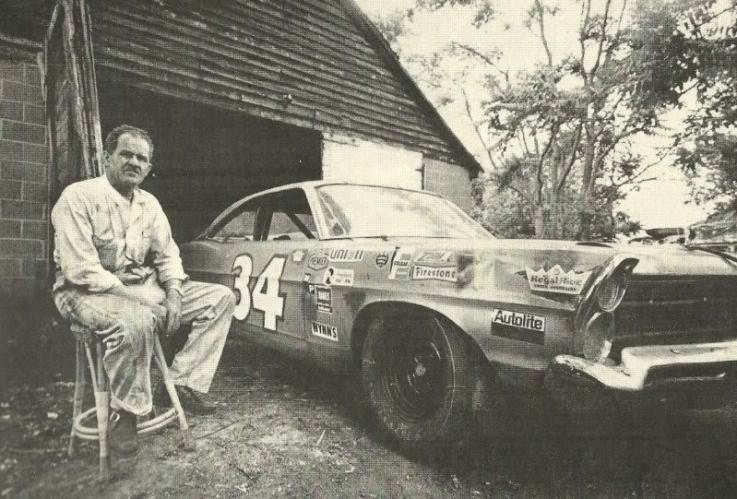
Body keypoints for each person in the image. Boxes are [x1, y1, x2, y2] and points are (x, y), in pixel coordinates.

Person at [51, 124, 236, 456]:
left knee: (220, 298)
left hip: (141, 287)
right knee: (135, 321)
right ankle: (126, 412)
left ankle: (181, 382)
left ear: (149, 167)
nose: (134, 162)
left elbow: (168, 254)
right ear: (106, 157)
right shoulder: (78, 197)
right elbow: (81, 269)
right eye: (126, 154)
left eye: (142, 158)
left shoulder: (149, 204)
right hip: (83, 292)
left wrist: (175, 293)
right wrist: (142, 301)